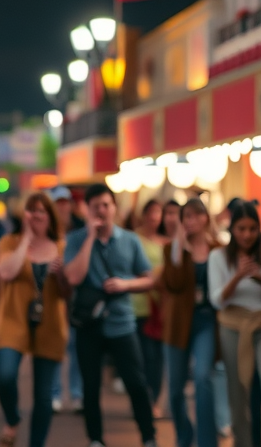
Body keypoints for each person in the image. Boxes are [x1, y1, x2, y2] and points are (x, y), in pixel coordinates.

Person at [64, 183, 157, 447]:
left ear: (114, 207)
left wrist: (125, 284)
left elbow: (148, 279)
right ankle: (95, 439)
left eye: (106, 205)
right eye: (96, 207)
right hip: (88, 326)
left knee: (136, 383)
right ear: (87, 210)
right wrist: (90, 237)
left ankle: (148, 437)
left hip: (122, 322)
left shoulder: (129, 240)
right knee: (91, 387)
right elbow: (73, 277)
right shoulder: (76, 239)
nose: (102, 211)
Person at [0, 192, 68, 447]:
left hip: (50, 325)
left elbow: (69, 293)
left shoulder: (62, 246)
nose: (35, 215)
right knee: (4, 374)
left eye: (41, 211)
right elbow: (5, 271)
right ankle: (12, 418)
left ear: (50, 216)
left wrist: (60, 276)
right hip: (13, 320)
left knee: (44, 396)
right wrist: (26, 238)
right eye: (31, 210)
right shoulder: (9, 242)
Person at [209, 202, 261, 447]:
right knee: (237, 392)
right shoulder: (218, 256)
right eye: (241, 228)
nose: (247, 235)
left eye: (253, 229)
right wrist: (239, 276)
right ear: (232, 229)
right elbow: (217, 300)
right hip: (232, 326)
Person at [160, 198, 220, 447]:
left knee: (203, 378)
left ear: (206, 218)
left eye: (196, 216)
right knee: (175, 388)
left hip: (206, 321)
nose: (191, 221)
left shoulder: (218, 249)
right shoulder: (173, 250)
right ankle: (184, 436)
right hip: (178, 323)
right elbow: (173, 284)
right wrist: (178, 247)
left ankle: (207, 441)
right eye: (187, 217)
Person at [133, 199, 166, 418]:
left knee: (155, 358)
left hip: (159, 308)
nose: (155, 217)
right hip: (136, 306)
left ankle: (152, 400)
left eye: (158, 213)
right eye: (151, 212)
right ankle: (141, 400)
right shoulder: (133, 239)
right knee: (139, 358)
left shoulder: (166, 242)